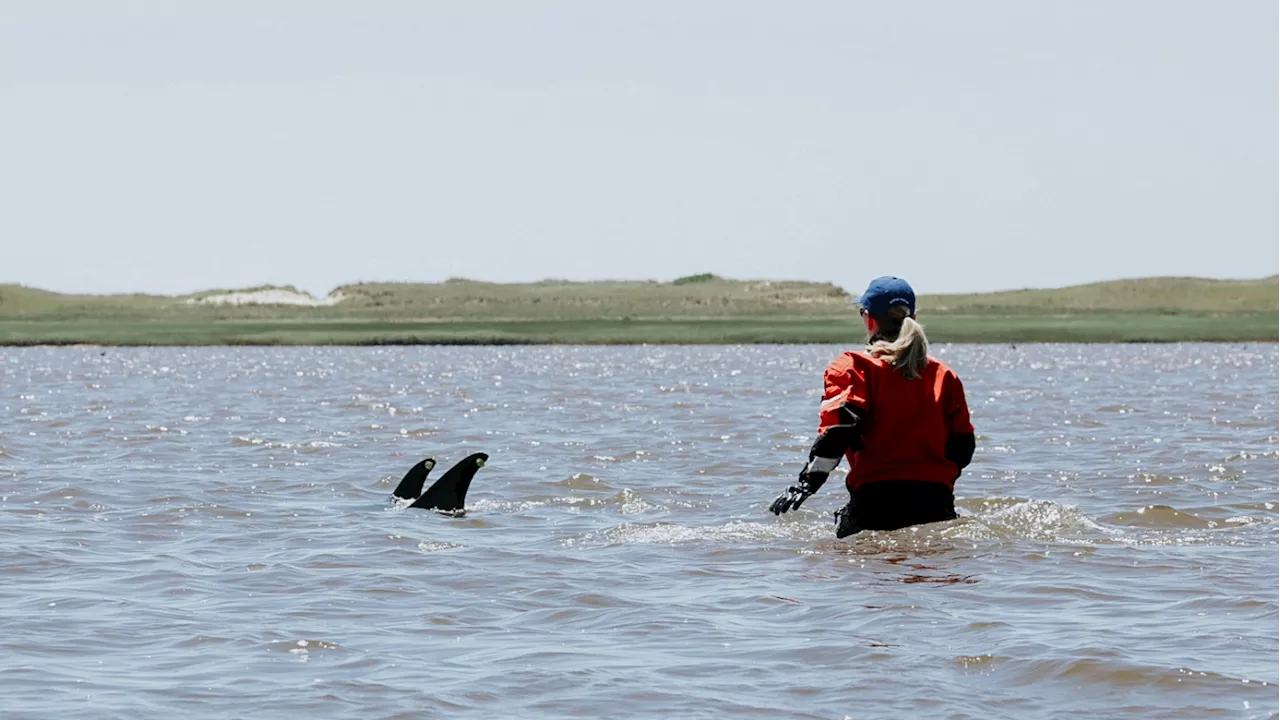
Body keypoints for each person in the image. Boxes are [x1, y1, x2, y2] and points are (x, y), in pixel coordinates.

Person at [770, 276, 975, 538]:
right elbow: (963, 448)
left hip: (874, 504)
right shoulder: (944, 375)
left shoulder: (854, 368)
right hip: (937, 503)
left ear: (868, 318)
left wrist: (804, 486)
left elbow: (838, 432)